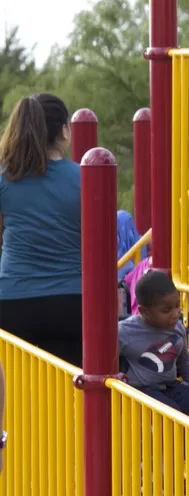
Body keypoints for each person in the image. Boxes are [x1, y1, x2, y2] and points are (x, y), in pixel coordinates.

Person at [0, 94, 83, 366]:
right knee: (68, 386)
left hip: (13, 299)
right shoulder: (85, 177)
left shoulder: (5, 177)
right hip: (71, 301)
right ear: (64, 130)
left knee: (14, 387)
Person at [118, 270, 189, 429]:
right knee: (171, 416)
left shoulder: (177, 328)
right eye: (166, 310)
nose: (175, 314)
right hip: (142, 392)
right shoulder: (124, 332)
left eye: (177, 306)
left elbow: (185, 362)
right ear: (144, 312)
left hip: (171, 386)